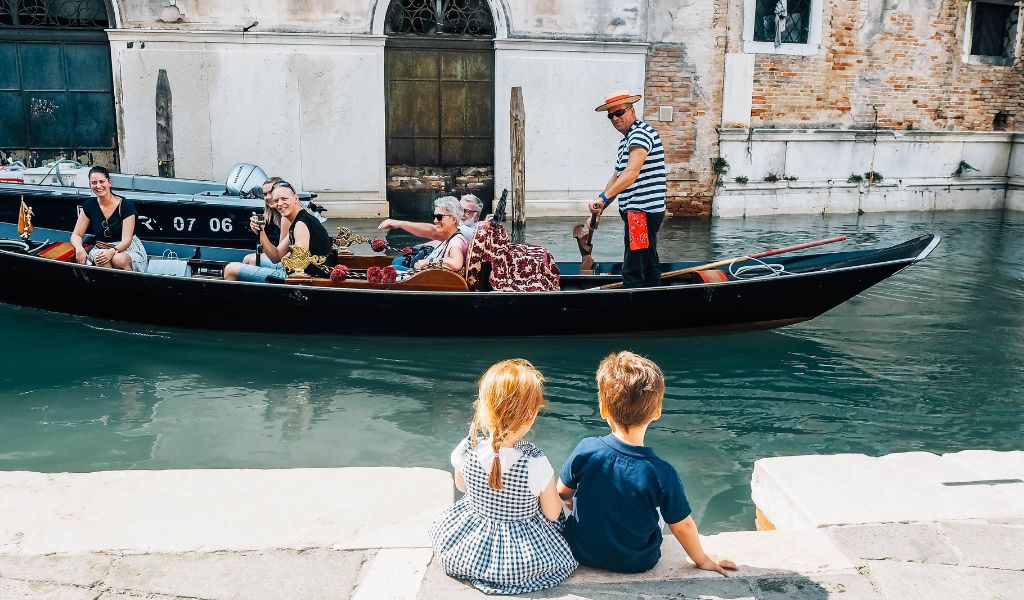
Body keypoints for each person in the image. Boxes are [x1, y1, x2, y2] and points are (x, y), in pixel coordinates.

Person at [557, 351, 738, 576]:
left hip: (581, 551)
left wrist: (573, 501)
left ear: (603, 409)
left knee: (582, 490)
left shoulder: (587, 449)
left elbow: (562, 493)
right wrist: (702, 559)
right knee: (662, 509)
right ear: (657, 412)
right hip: (636, 561)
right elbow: (683, 525)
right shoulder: (661, 472)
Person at [428, 359, 577, 595]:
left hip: (474, 543)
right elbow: (551, 513)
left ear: (484, 409)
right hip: (522, 551)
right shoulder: (535, 463)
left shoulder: (468, 448)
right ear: (530, 416)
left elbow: (461, 486)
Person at [588, 90, 667, 289]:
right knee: (648, 262)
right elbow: (616, 177)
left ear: (631, 111)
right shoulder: (627, 140)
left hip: (641, 212)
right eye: (610, 115)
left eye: (619, 112)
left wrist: (604, 197)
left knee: (632, 268)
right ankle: (653, 301)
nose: (615, 118)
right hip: (639, 212)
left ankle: (633, 310)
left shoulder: (640, 133)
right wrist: (601, 205)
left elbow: (631, 173)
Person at [223, 180, 336, 282]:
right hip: (302, 272)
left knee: (230, 269)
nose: (280, 204)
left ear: (295, 198)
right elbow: (276, 256)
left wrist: (287, 260)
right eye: (276, 200)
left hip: (303, 277)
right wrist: (261, 231)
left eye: (284, 199)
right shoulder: (299, 220)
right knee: (248, 260)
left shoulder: (301, 224)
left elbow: (298, 269)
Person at [70, 166, 149, 272]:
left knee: (118, 259)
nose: (98, 186)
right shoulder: (89, 205)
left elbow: (127, 240)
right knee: (101, 259)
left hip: (126, 248)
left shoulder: (126, 205)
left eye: (102, 181)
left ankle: (131, 285)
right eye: (94, 183)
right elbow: (77, 234)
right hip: (101, 247)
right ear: (90, 185)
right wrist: (79, 248)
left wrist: (112, 251)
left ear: (109, 182)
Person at [242, 176, 290, 267]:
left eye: (271, 193)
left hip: (291, 262)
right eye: (265, 194)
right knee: (248, 259)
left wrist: (261, 233)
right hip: (283, 258)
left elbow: (280, 255)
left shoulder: (286, 216)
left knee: (252, 260)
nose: (267, 197)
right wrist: (257, 230)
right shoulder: (270, 215)